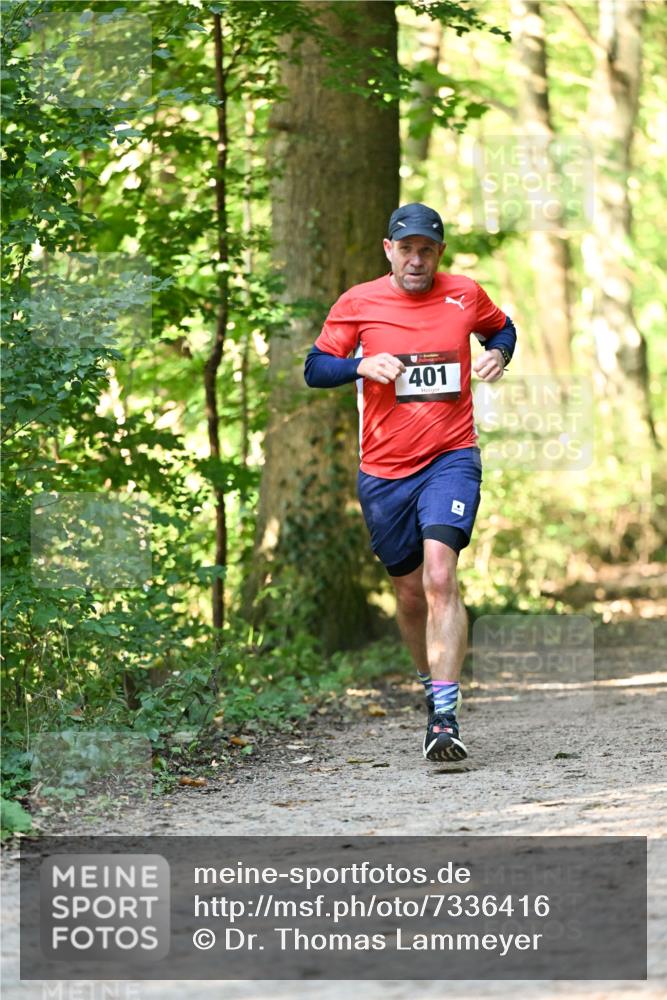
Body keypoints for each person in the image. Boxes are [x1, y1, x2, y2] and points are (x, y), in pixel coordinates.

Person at [304, 203, 516, 762]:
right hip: (384, 472)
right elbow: (314, 367)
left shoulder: (464, 294)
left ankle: (444, 717)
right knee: (410, 592)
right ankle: (430, 686)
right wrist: (360, 366)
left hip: (451, 457)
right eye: (406, 249)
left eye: (426, 250)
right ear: (389, 250)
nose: (416, 259)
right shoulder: (358, 303)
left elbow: (502, 327)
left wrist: (498, 353)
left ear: (439, 252)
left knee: (440, 575)